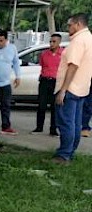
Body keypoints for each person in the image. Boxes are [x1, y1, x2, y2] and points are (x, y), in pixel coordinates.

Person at [53, 13, 92, 163]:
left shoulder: (78, 41)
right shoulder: (89, 38)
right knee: (75, 124)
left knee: (66, 123)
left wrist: (63, 89)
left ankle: (64, 155)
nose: (68, 28)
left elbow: (73, 65)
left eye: (70, 25)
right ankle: (70, 152)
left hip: (70, 88)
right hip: (82, 88)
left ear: (78, 24)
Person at [32, 34, 63, 136]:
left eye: (54, 42)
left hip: (56, 82)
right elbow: (42, 66)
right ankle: (39, 127)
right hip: (45, 81)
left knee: (55, 107)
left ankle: (53, 129)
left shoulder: (63, 54)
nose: (51, 44)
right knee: (41, 105)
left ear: (59, 42)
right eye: (50, 41)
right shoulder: (44, 54)